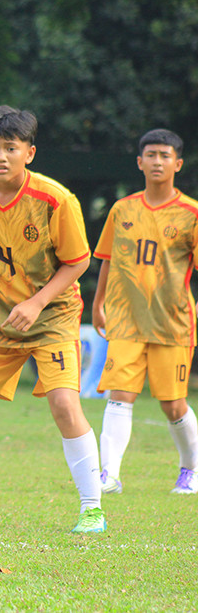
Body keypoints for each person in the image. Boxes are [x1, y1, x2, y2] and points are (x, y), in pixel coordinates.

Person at [0, 105, 105, 533]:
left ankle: (92, 508)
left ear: (29, 151)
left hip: (52, 318)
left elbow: (77, 263)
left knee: (65, 404)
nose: (1, 156)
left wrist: (35, 304)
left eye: (10, 147)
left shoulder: (56, 199)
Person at [91, 128, 198, 495]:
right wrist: (98, 302)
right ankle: (110, 475)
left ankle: (191, 469)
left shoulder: (191, 213)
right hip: (126, 319)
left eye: (164, 156)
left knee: (172, 404)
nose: (157, 161)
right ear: (139, 162)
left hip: (172, 323)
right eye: (150, 155)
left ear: (177, 164)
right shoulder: (123, 209)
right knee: (120, 394)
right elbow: (106, 258)